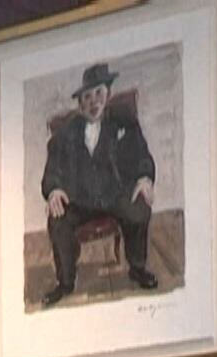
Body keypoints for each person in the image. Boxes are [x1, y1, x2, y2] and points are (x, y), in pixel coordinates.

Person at [38, 62, 158, 307]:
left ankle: (137, 268)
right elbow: (53, 167)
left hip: (115, 195)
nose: (94, 102)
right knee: (57, 221)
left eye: (99, 93)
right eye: (87, 97)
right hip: (80, 200)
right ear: (80, 103)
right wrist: (54, 189)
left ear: (108, 94)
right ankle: (65, 282)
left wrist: (145, 178)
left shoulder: (124, 122)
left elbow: (142, 155)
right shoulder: (66, 132)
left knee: (139, 209)